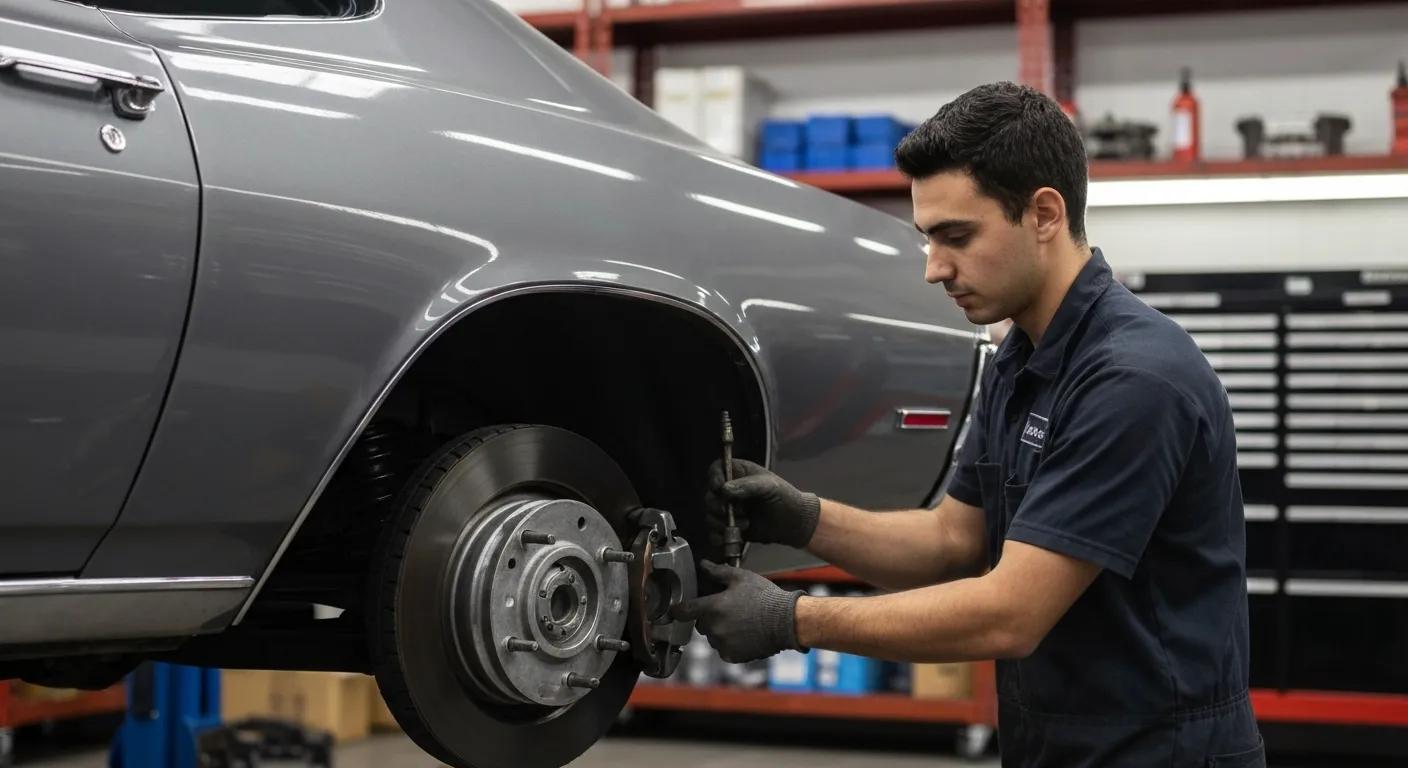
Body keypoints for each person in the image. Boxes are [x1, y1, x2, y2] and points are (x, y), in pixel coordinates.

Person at [672, 82, 1265, 767]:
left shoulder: (1133, 379)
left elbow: (1010, 611)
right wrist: (803, 516)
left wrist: (793, 619)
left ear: (1044, 213)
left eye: (957, 236)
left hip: (1162, 752)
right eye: (928, 238)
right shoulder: (1022, 358)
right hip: (1057, 743)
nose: (934, 269)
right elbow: (953, 540)